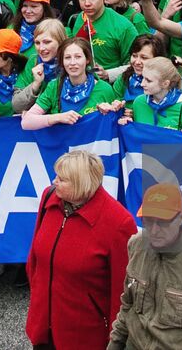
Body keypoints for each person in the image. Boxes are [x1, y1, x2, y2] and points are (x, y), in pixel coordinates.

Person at [25, 150, 137, 350]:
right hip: (43, 326)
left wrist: (116, 339)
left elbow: (121, 290)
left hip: (83, 335)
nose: (54, 181)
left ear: (81, 184)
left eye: (62, 179)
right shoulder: (49, 197)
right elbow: (35, 255)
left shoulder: (118, 222)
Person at [107, 183, 182, 350]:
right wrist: (114, 345)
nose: (154, 230)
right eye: (147, 221)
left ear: (181, 217)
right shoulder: (136, 245)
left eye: (162, 222)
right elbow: (127, 306)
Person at [21, 36, 116, 128]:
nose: (72, 62)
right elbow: (26, 122)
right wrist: (58, 117)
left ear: (87, 60)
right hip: (62, 143)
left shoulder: (104, 89)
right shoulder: (54, 86)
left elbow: (115, 124)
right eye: (67, 57)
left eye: (78, 57)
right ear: (62, 61)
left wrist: (111, 111)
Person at [120, 57, 182, 130]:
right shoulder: (139, 102)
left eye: (148, 80)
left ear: (165, 84)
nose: (142, 84)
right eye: (143, 78)